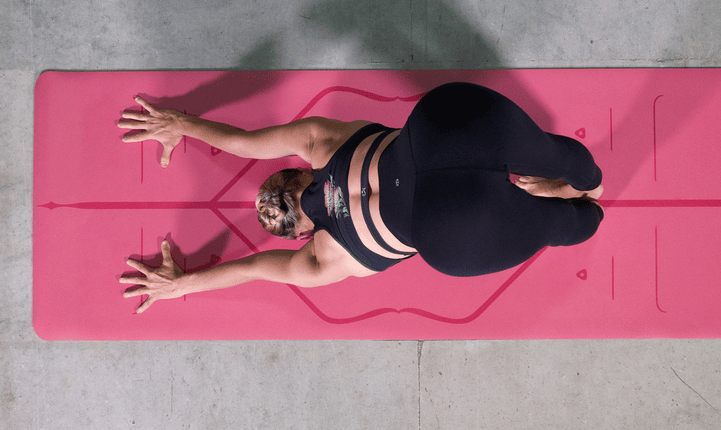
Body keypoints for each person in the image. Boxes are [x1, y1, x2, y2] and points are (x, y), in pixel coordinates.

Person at [118, 82, 604, 313]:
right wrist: (182, 125)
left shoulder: (317, 259)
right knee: (561, 158)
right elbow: (244, 142)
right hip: (439, 135)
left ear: (300, 232)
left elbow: (247, 270)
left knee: (575, 224)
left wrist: (180, 286)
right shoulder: (317, 142)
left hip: (448, 227)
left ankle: (586, 207)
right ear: (292, 174)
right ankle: (582, 176)